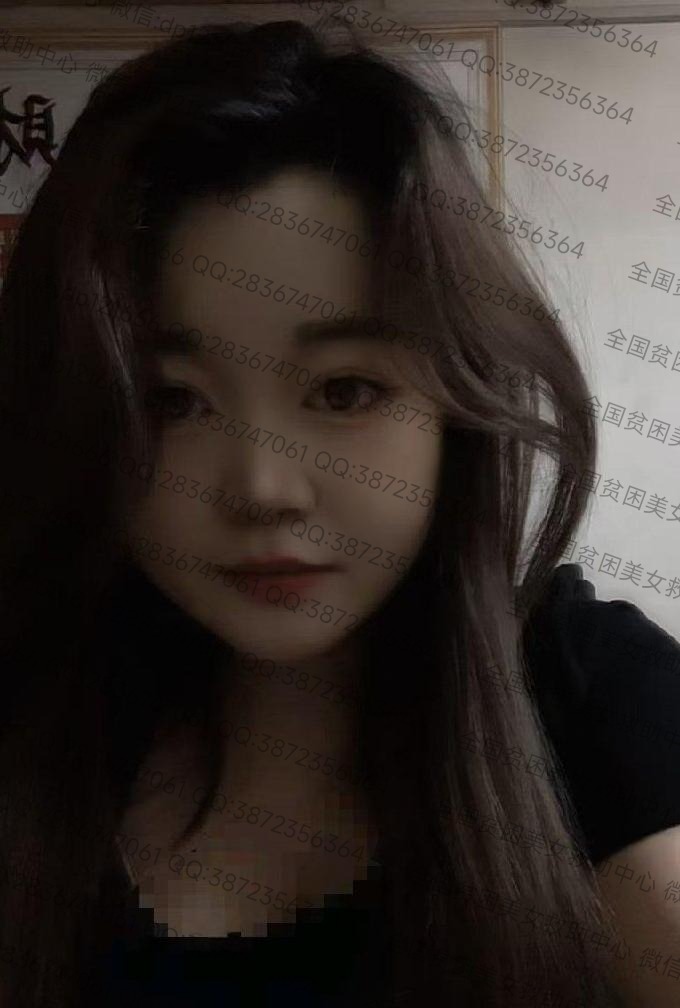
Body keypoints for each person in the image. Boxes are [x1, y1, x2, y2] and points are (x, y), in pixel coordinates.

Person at [0, 15, 678, 1008]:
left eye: (344, 390)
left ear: (453, 406)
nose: (262, 488)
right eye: (170, 402)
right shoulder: (36, 705)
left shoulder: (592, 693)